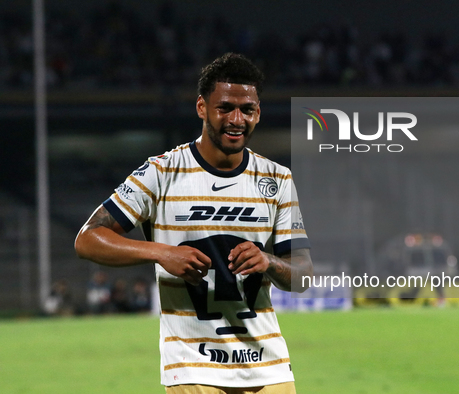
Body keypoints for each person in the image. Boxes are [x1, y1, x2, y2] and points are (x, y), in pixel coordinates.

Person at [75, 53, 313, 394]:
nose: (236, 119)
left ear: (257, 113)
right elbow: (87, 239)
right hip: (192, 367)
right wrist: (161, 253)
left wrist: (269, 261)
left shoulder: (278, 179)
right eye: (225, 107)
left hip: (268, 366)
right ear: (202, 107)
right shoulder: (161, 173)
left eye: (247, 110)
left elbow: (302, 274)